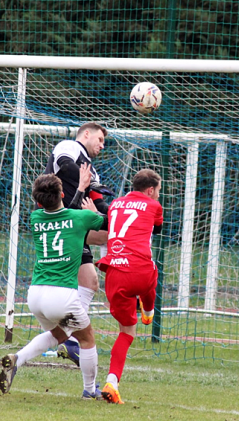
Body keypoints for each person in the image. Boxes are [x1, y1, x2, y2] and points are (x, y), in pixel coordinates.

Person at [0, 172, 106, 399]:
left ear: (39, 201)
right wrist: (94, 209)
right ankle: (89, 390)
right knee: (87, 339)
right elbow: (104, 222)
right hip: (62, 296)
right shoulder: (81, 218)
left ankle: (18, 358)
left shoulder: (35, 218)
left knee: (59, 334)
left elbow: (64, 214)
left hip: (36, 295)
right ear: (62, 194)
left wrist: (78, 193)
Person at [42, 122, 113, 365]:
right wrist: (86, 183)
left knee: (90, 281)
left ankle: (68, 340)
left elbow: (100, 204)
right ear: (86, 134)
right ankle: (67, 338)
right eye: (100, 140)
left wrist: (122, 214)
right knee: (69, 283)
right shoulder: (70, 146)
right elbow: (66, 167)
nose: (102, 146)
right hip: (57, 223)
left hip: (73, 225)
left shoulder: (91, 170)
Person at [95, 169, 164, 404]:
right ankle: (148, 310)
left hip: (114, 273)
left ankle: (111, 383)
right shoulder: (154, 205)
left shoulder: (115, 204)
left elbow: (108, 215)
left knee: (126, 332)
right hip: (140, 270)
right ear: (151, 190)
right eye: (158, 191)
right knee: (152, 270)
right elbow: (157, 229)